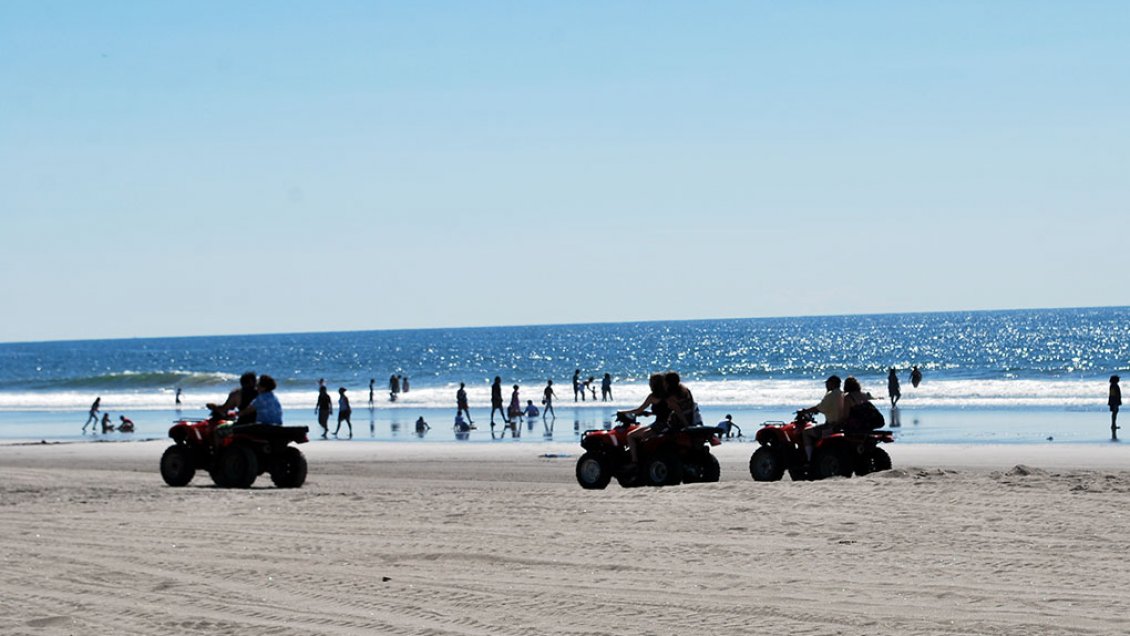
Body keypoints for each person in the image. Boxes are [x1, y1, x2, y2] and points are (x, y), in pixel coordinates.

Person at [620, 373, 671, 466]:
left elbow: (639, 409)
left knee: (630, 436)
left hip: (658, 425)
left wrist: (624, 412)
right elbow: (665, 411)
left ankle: (635, 461)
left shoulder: (652, 396)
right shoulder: (669, 395)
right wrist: (650, 413)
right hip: (669, 424)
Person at [799, 375, 844, 462]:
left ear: (832, 383)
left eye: (827, 383)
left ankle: (810, 459)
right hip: (840, 425)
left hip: (831, 426)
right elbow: (826, 408)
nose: (826, 385)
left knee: (806, 432)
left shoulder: (831, 395)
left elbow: (819, 407)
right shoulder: (842, 394)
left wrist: (805, 411)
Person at [1110, 375, 1122, 442]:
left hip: (1114, 401)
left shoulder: (1113, 385)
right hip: (1114, 401)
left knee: (1115, 413)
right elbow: (1113, 395)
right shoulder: (1114, 386)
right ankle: (1113, 425)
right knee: (1114, 413)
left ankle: (1114, 424)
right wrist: (1115, 401)